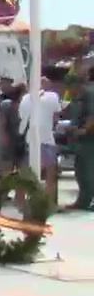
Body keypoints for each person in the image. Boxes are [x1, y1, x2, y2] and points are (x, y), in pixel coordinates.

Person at [17, 76, 64, 205]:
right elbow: (56, 117)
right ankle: (49, 203)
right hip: (47, 139)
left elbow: (22, 118)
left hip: (30, 139)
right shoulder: (53, 96)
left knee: (25, 174)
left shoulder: (25, 98)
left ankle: (20, 201)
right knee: (50, 175)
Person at [67, 67, 94, 211]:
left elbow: (92, 115)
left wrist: (84, 130)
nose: (69, 90)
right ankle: (83, 201)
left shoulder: (90, 93)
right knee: (80, 171)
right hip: (80, 140)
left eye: (70, 86)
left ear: (77, 84)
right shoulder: (78, 96)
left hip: (90, 140)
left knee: (90, 172)